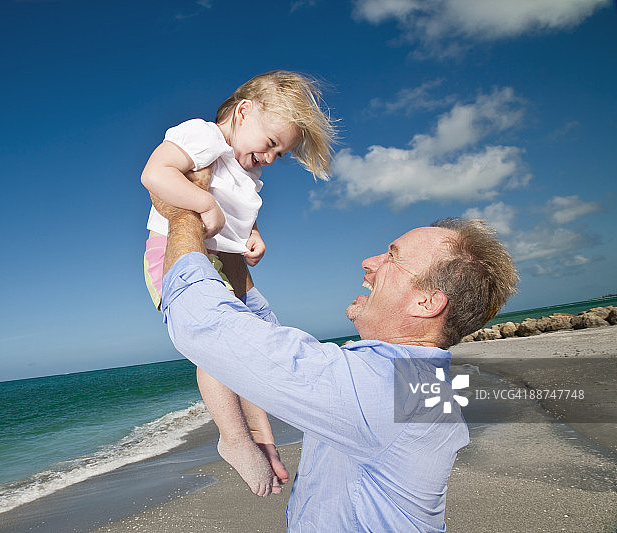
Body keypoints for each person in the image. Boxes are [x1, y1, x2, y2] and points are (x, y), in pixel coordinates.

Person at [153, 172, 519, 531]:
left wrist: (185, 208)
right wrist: (232, 239)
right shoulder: (419, 383)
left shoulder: (386, 392)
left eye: (392, 256)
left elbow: (203, 323)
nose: (370, 262)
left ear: (426, 302)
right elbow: (261, 336)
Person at [140, 70, 336, 496]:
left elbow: (240, 214)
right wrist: (202, 202)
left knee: (262, 341)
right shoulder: (204, 136)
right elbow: (155, 175)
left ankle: (260, 433)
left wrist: (252, 236)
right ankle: (233, 438)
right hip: (178, 259)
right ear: (243, 112)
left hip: (227, 267)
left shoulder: (246, 173)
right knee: (218, 347)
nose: (269, 157)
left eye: (278, 154)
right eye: (270, 144)